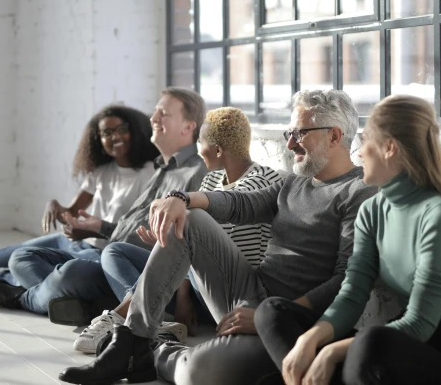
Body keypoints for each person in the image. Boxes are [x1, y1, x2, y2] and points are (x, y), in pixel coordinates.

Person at [59, 89, 378, 385]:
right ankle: (134, 339)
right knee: (191, 218)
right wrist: (182, 198)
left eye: (299, 134)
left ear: (334, 135)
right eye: (289, 134)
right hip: (249, 292)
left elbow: (346, 280)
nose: (291, 144)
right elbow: (240, 204)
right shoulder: (294, 182)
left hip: (293, 322)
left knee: (195, 373)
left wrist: (267, 319)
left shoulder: (358, 192)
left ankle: (155, 353)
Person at [254, 95, 441, 385]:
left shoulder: (439, 215)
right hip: (389, 347)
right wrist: (310, 339)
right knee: (273, 311)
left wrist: (330, 354)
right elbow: (352, 293)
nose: (360, 153)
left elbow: (421, 323)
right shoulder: (373, 210)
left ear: (389, 148)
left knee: (371, 341)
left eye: (366, 142)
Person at [0, 88, 209, 323]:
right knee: (22, 258)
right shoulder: (162, 168)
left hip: (130, 267)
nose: (153, 118)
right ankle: (79, 302)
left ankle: (21, 297)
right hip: (106, 255)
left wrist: (184, 294)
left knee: (70, 274)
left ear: (188, 127)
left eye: (163, 114)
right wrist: (99, 227)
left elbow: (187, 241)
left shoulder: (195, 173)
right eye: (155, 112)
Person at [71, 107, 283, 354]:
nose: (197, 150)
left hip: (230, 290)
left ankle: (124, 320)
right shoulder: (212, 180)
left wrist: (177, 239)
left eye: (200, 142)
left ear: (218, 150)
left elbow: (213, 247)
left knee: (185, 224)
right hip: (196, 281)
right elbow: (195, 243)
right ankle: (154, 321)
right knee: (115, 251)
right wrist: (169, 245)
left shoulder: (260, 182)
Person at [0, 105, 158, 282]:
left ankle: (5, 277)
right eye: (106, 133)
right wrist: (55, 206)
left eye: (121, 129)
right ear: (98, 140)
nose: (115, 137)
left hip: (101, 250)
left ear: (134, 130)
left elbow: (136, 232)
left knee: (64, 275)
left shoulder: (148, 173)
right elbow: (72, 213)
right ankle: (12, 273)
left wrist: (94, 229)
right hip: (73, 241)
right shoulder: (102, 170)